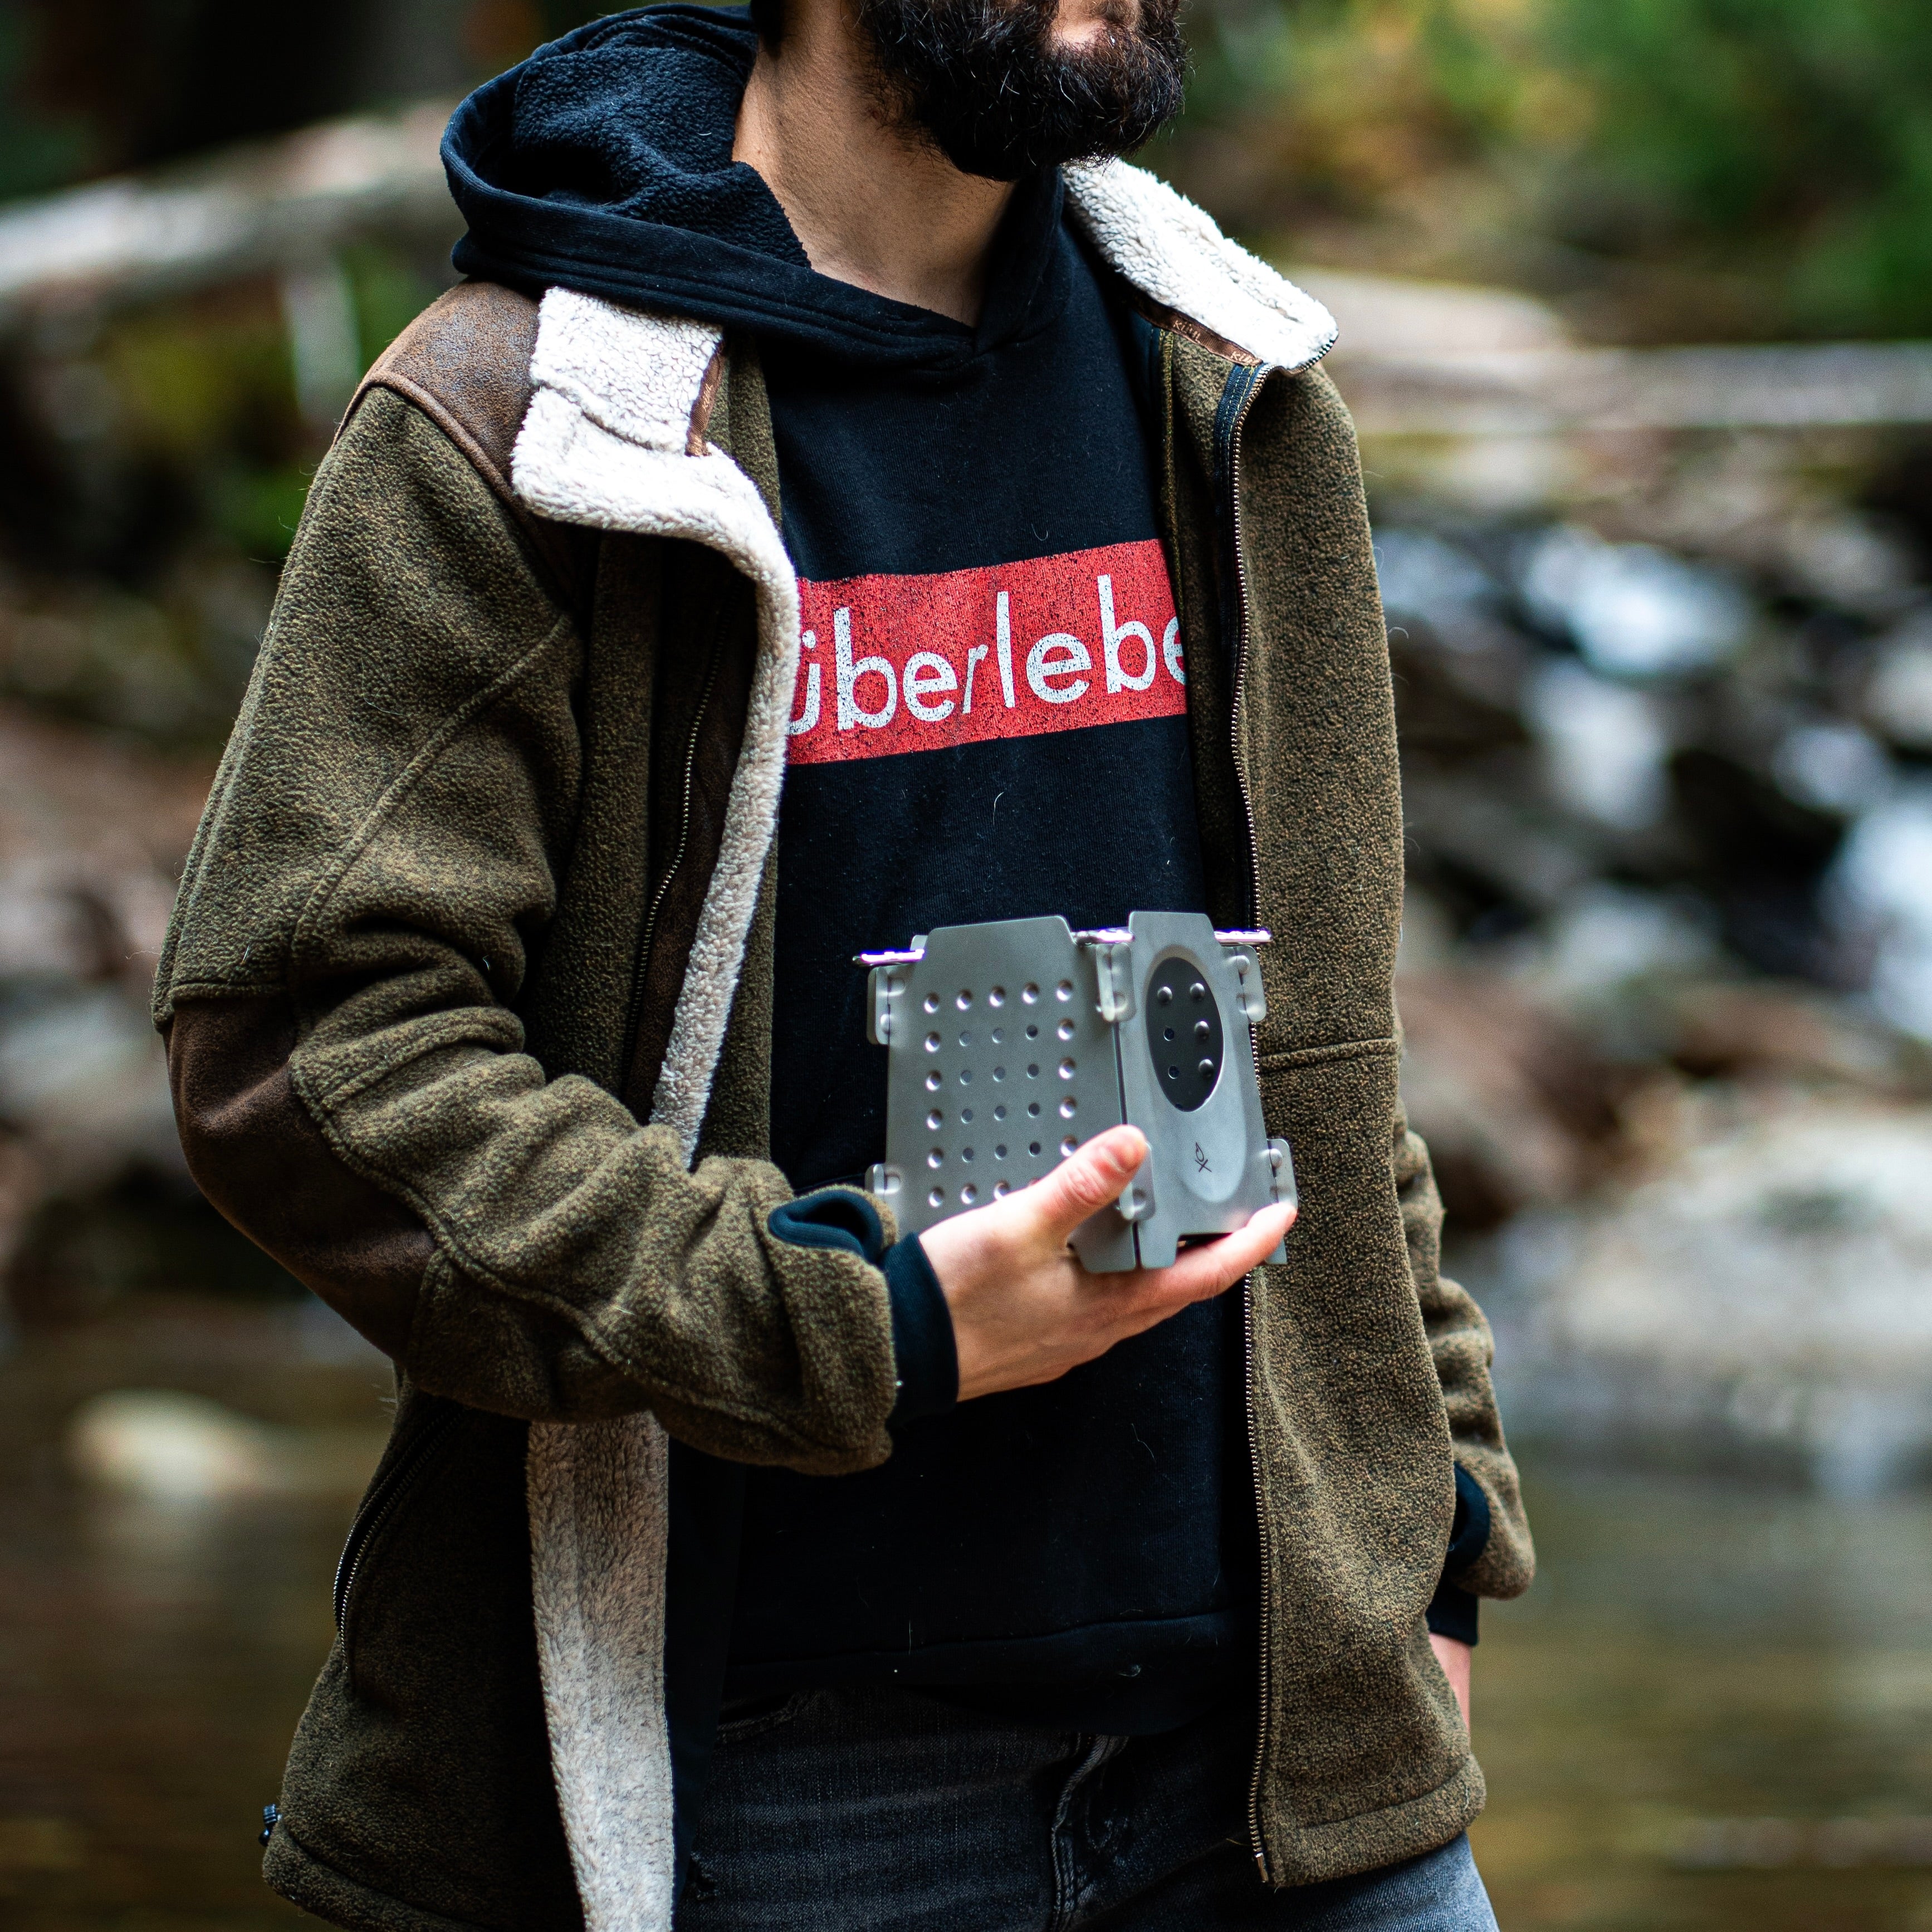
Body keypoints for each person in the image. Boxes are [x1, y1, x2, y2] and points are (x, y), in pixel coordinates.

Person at [157, 0, 1534, 1925]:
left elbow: (1317, 1042)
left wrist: (1440, 1536)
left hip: (1295, 1769)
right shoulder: (528, 418)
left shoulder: (1232, 381)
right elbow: (312, 1048)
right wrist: (855, 1328)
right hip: (773, 1789)